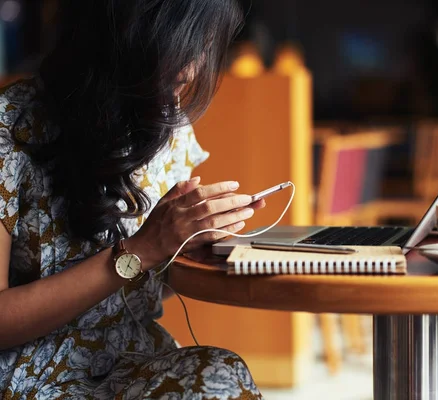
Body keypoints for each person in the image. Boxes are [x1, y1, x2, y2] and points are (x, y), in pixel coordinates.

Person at [0, 0, 265, 398]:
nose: (192, 69)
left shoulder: (167, 125)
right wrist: (142, 250)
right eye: (186, 46)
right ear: (131, 34)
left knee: (221, 376)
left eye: (205, 49)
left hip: (131, 360)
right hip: (31, 378)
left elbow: (149, 282)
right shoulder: (9, 128)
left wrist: (186, 246)